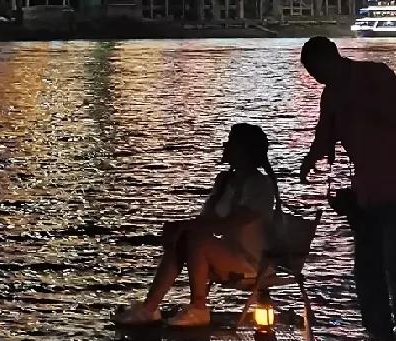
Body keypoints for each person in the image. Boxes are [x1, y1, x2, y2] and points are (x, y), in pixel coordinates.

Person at [299, 35, 396, 341]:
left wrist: (361, 105)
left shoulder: (375, 75)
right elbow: (325, 132)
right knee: (367, 267)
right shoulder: (332, 93)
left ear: (330, 59)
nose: (315, 78)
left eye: (315, 71)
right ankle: (380, 337)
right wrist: (311, 157)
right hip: (365, 189)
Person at [118, 122, 280, 330]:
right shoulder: (224, 180)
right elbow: (206, 220)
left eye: (230, 143)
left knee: (196, 239)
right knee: (184, 239)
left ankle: (199, 308)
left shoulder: (260, 185)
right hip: (224, 253)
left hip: (251, 261)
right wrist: (180, 227)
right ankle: (150, 308)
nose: (225, 146)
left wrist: (188, 227)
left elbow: (230, 223)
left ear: (243, 151)